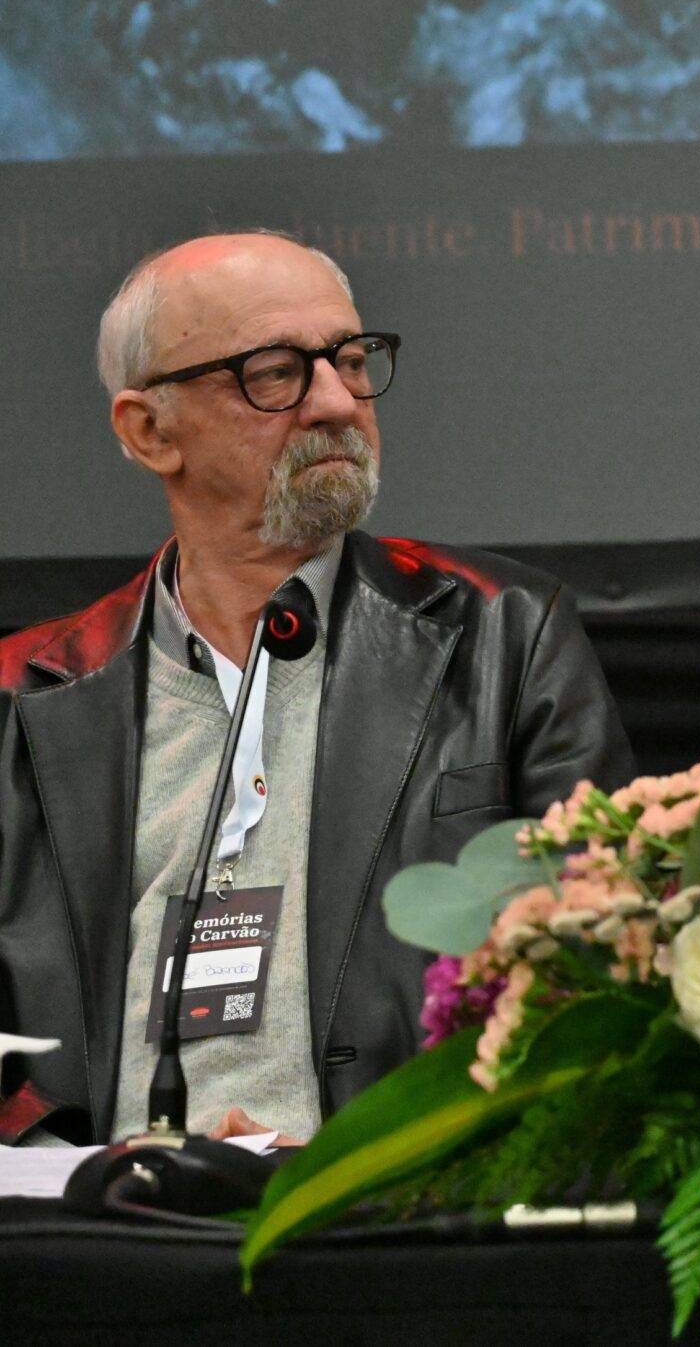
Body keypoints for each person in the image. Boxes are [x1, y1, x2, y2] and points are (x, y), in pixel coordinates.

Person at [0, 232, 633, 1145]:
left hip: (387, 1203)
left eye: (351, 359)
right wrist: (65, 1161)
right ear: (149, 431)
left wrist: (365, 1159)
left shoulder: (503, 635)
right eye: (274, 373)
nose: (336, 402)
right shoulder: (27, 698)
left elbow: (606, 970)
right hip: (97, 1211)